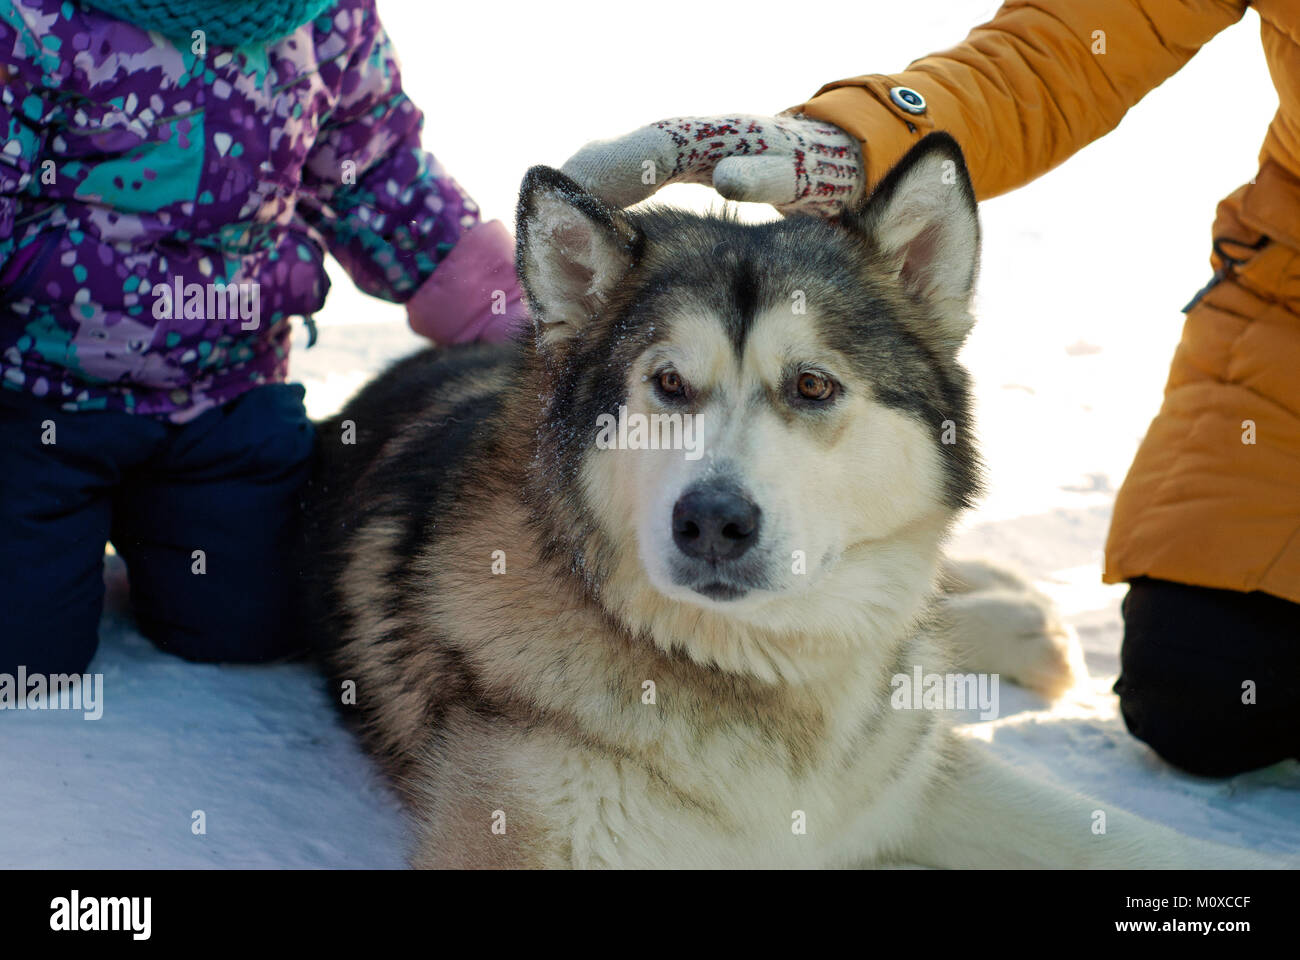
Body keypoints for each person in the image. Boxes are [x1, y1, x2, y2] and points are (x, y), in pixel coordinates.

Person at [559, 0, 1300, 778]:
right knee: (1201, 692)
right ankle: (936, 619)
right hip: (1285, 323)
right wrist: (851, 146)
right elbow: (1070, 41)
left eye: (812, 387)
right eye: (674, 384)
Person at [0, 0, 525, 673]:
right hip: (38, 397)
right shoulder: (34, 20)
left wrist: (502, 307)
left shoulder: (323, 19)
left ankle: (158, 531)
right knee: (23, 661)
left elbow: (380, 174)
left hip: (226, 395)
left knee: (257, 627)